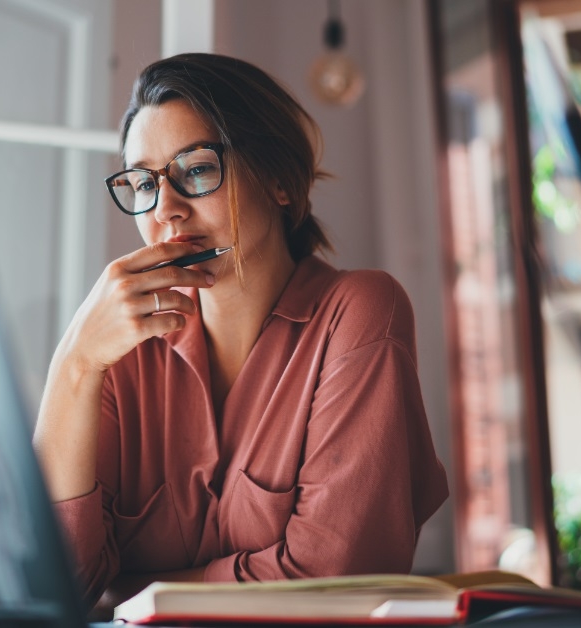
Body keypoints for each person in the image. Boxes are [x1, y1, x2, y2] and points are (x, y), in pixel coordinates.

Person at [34, 53, 448, 610]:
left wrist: (133, 594)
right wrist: (74, 364)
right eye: (143, 183)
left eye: (197, 169)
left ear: (278, 178)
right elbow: (55, 589)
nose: (167, 212)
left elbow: (332, 579)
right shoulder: (119, 352)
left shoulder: (359, 311)